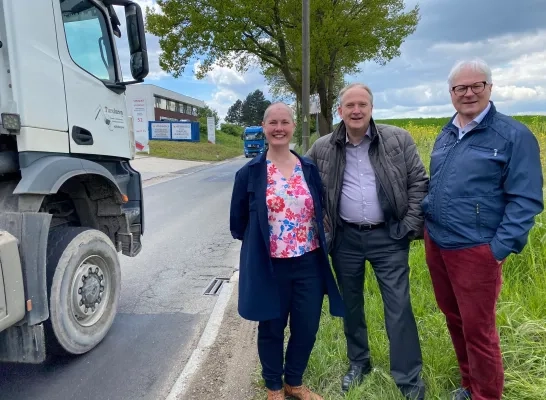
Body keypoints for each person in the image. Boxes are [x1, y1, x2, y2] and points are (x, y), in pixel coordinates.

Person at [421, 58, 544, 400]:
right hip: (439, 244)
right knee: (455, 319)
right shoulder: (447, 134)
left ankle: (486, 394)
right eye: (461, 88)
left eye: (477, 85)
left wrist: (497, 250)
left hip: (477, 249)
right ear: (451, 93)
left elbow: (526, 200)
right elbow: (439, 185)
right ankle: (468, 385)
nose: (469, 93)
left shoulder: (512, 135)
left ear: (490, 88)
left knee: (479, 330)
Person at [305, 83, 429, 399]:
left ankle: (408, 377)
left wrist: (409, 226)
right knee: (351, 306)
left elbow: (418, 182)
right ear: (340, 111)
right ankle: (359, 364)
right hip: (345, 239)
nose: (356, 110)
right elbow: (299, 183)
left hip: (389, 236)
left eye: (362, 104)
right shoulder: (322, 147)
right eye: (350, 105)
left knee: (398, 306)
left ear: (371, 108)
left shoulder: (397, 140)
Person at [229, 102, 344, 400]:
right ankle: (274, 387)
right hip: (271, 266)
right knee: (271, 328)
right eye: (273, 123)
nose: (279, 128)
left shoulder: (308, 168)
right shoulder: (250, 174)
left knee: (306, 327)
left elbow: (320, 210)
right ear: (264, 128)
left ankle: (294, 381)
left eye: (285, 122)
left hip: (309, 263)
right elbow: (238, 224)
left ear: (293, 126)